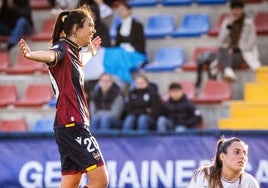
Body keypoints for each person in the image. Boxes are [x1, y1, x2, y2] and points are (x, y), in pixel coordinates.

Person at [18, 5, 109, 188]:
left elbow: (78, 61)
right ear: (76, 29)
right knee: (100, 181)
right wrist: (31, 55)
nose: (94, 29)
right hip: (72, 125)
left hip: (68, 125)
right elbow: (52, 56)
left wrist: (90, 53)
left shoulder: (72, 52)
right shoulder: (62, 48)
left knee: (70, 184)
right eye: (90, 25)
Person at [188, 136, 259, 188]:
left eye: (245, 153)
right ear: (222, 157)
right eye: (237, 152)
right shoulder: (204, 175)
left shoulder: (250, 183)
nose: (242, 156)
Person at [218, 0, 261, 81]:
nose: (236, 12)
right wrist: (229, 27)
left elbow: (251, 43)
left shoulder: (249, 23)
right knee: (221, 49)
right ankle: (228, 71)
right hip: (228, 52)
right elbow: (221, 40)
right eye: (234, 10)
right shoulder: (227, 22)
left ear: (242, 10)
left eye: (238, 10)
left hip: (242, 53)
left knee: (222, 59)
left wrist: (235, 49)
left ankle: (228, 71)